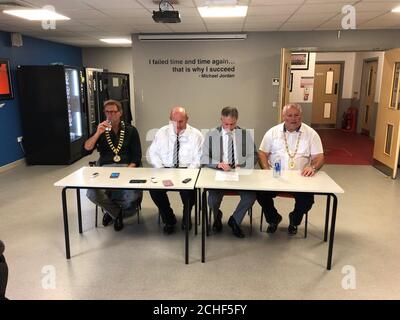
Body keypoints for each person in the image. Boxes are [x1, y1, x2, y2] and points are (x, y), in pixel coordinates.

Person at [257, 103, 324, 235]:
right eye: (289, 115)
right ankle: (273, 219)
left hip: (301, 179)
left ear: (301, 116)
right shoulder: (273, 132)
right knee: (260, 194)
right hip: (275, 177)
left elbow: (319, 156)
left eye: (296, 115)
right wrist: (266, 169)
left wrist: (313, 166)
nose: (293, 119)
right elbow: (262, 153)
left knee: (307, 200)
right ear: (283, 116)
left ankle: (294, 220)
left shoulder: (311, 134)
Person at [84, 99, 142, 232]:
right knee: (92, 193)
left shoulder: (131, 130)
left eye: (113, 112)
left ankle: (110, 212)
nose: (110, 115)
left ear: (120, 112)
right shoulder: (101, 129)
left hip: (126, 167)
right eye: (107, 112)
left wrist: (128, 170)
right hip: (105, 168)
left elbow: (137, 156)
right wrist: (97, 133)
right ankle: (117, 214)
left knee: (132, 196)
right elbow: (86, 149)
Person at [201, 107, 258, 238]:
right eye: (225, 124)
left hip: (240, 174)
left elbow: (254, 155)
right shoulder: (211, 135)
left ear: (236, 120)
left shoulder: (245, 134)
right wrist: (218, 164)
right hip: (219, 173)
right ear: (221, 119)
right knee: (212, 200)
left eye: (232, 124)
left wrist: (244, 164)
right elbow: (204, 157)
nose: (229, 127)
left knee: (250, 197)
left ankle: (235, 220)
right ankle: (217, 217)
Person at [148, 107, 203, 234]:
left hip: (186, 170)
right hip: (165, 169)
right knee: (154, 190)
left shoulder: (196, 135)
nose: (177, 125)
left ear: (187, 120)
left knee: (189, 192)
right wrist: (161, 169)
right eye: (174, 121)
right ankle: (169, 218)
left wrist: (187, 173)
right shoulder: (162, 132)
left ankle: (186, 216)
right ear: (170, 120)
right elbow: (153, 152)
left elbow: (198, 158)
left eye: (181, 121)